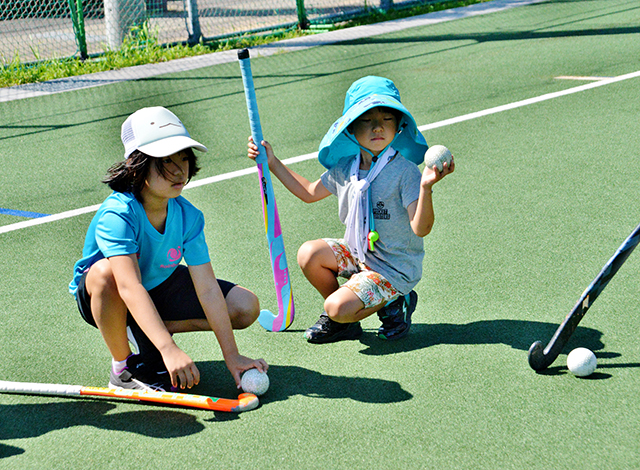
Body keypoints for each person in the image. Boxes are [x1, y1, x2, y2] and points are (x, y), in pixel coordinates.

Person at [70, 106, 268, 392]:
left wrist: (232, 355)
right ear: (137, 165)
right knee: (105, 272)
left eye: (184, 157)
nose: (179, 170)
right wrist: (168, 346)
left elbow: (208, 289)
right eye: (165, 160)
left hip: (158, 285)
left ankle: (143, 330)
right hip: (109, 295)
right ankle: (124, 368)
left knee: (244, 307)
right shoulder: (118, 213)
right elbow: (129, 286)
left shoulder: (189, 216)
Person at [248, 76, 454, 344]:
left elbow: (421, 228)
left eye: (387, 118)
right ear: (350, 129)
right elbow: (309, 193)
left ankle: (394, 303)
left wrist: (426, 188)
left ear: (399, 126)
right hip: (359, 253)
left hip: (393, 268)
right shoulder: (347, 167)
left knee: (335, 308)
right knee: (309, 254)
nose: (378, 127)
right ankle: (345, 323)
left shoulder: (404, 172)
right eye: (367, 119)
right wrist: (272, 162)